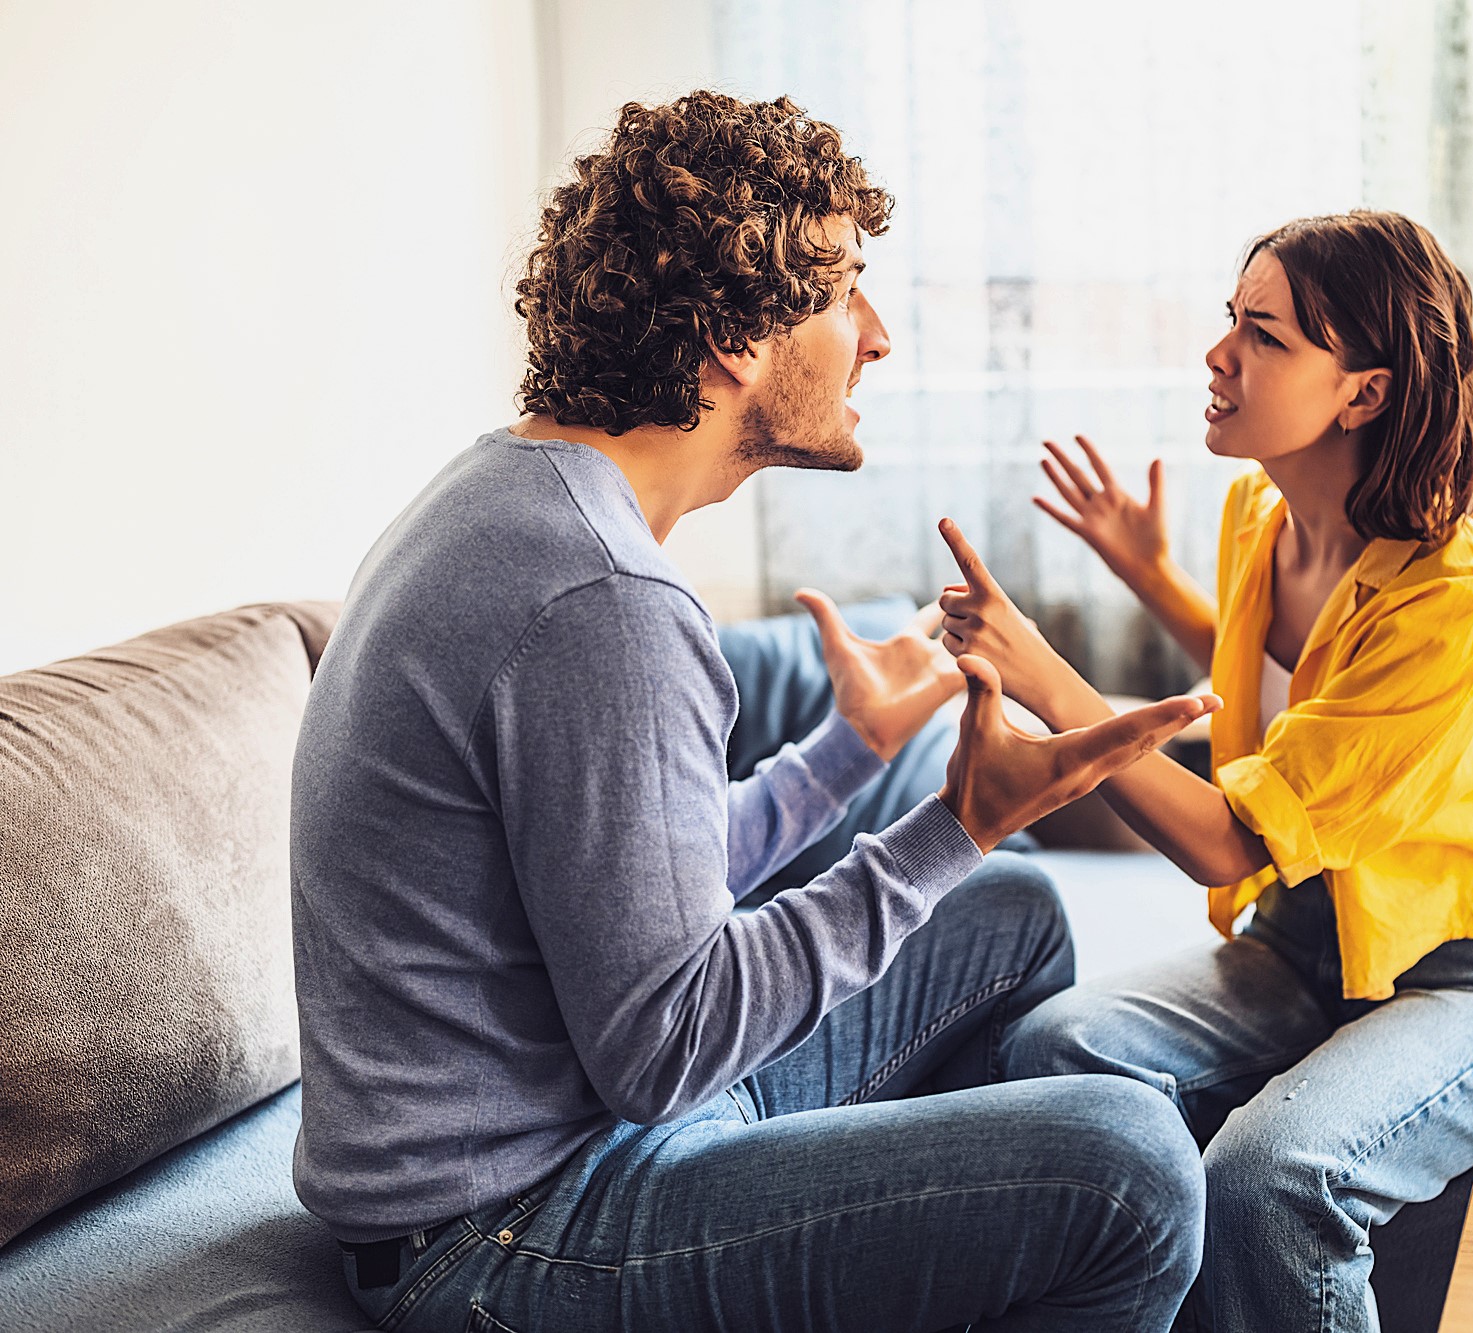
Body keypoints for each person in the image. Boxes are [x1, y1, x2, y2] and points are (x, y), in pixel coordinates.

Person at [290, 91, 1218, 1333]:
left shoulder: (511, 495)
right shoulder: (600, 596)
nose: (876, 336)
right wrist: (957, 822)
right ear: (733, 336)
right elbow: (664, 1043)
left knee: (1010, 915)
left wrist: (848, 756)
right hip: (503, 1231)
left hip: (566, 1137)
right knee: (1131, 1166)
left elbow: (624, 890)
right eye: (843, 293)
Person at [933, 210, 1473, 1332]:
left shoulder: (1453, 605)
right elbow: (1287, 692)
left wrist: (1050, 679)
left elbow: (1230, 837)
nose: (1217, 354)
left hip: (1467, 976)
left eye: (1264, 335)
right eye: (1228, 320)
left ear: (1363, 392)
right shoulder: (1260, 515)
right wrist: (1149, 573)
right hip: (1297, 940)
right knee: (1055, 1047)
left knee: (1271, 1176)